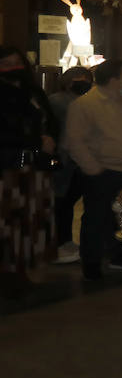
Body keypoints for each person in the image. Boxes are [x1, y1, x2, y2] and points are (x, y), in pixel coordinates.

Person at [65, 58, 122, 281]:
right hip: (102, 171)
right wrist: (92, 168)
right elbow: (75, 140)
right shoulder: (86, 104)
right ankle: (91, 264)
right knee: (95, 218)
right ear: (114, 80)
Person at [0, 46, 58, 294]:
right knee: (8, 223)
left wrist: (48, 138)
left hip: (34, 168)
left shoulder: (34, 93)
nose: (13, 68)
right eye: (6, 64)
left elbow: (50, 121)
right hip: (7, 169)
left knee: (30, 222)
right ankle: (8, 274)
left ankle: (23, 269)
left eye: (16, 62)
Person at [48, 66, 92, 265]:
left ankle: (65, 241)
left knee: (68, 203)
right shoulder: (57, 101)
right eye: (78, 78)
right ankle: (59, 242)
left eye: (85, 78)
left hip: (78, 161)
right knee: (61, 203)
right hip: (64, 160)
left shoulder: (86, 101)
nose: (83, 81)